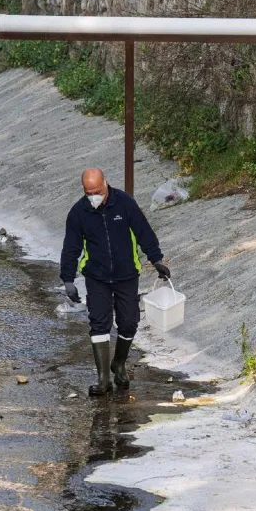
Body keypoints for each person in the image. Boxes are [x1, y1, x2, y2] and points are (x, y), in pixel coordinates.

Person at [59, 169, 170, 396]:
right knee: (99, 323)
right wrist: (67, 280)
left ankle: (118, 363)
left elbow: (144, 232)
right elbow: (71, 247)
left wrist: (157, 260)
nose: (93, 197)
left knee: (128, 322)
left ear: (106, 184)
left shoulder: (125, 204)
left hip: (127, 273)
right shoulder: (78, 212)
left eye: (97, 191)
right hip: (96, 276)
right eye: (88, 193)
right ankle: (103, 380)